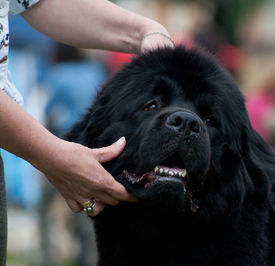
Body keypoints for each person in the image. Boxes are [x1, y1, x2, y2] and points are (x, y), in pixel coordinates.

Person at [0, 0, 175, 264]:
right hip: (56, 148)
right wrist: (49, 154)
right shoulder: (94, 71)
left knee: (48, 211)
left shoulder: (59, 76)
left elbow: (34, 2)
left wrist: (146, 31)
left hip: (62, 147)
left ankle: (47, 257)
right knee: (85, 213)